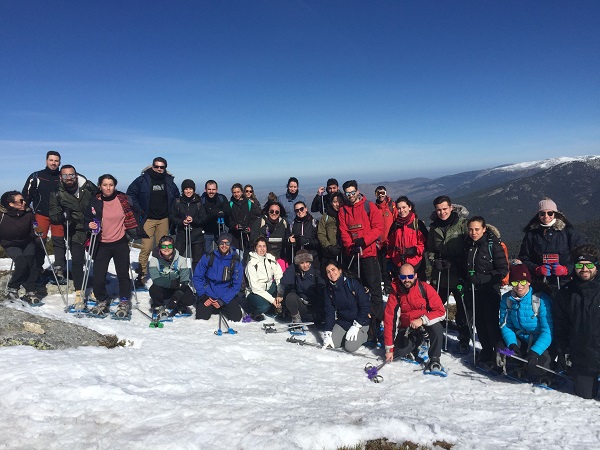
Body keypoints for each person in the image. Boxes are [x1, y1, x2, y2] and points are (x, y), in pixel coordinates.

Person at [86, 174, 141, 317]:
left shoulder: (123, 200)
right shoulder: (95, 202)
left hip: (120, 242)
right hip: (102, 243)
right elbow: (87, 218)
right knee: (98, 277)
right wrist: (89, 224)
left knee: (123, 275)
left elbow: (133, 214)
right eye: (105, 185)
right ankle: (102, 299)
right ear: (100, 186)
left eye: (111, 185)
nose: (108, 187)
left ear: (115, 186)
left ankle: (124, 300)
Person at [338, 180, 384, 342]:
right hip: (353, 254)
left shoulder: (369, 206)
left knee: (374, 290)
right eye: (347, 193)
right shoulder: (343, 211)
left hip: (369, 254)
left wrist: (364, 241)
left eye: (352, 192)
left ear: (357, 191)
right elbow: (344, 231)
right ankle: (360, 322)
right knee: (356, 290)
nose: (350, 196)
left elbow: (378, 227)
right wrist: (351, 246)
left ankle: (376, 324)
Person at [48, 165, 98, 310]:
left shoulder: (87, 186)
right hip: (74, 231)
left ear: (76, 175)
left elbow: (101, 199)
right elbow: (53, 215)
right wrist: (63, 217)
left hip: (93, 228)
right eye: (65, 176)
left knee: (99, 259)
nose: (68, 178)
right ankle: (79, 292)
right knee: (77, 261)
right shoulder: (57, 193)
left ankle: (97, 289)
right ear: (61, 178)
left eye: (71, 175)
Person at [554, 245, 600, 399]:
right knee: (585, 394)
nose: (584, 269)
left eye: (589, 265)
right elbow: (561, 325)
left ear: (596, 266)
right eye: (580, 265)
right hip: (583, 356)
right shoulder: (567, 293)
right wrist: (562, 352)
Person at [126, 157, 180, 287]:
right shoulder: (143, 180)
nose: (159, 169)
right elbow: (130, 194)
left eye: (162, 167)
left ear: (165, 168)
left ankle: (163, 271)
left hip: (164, 219)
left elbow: (176, 196)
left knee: (164, 247)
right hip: (148, 219)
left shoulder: (169, 181)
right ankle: (142, 273)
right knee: (147, 247)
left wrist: (174, 211)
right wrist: (139, 209)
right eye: (157, 166)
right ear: (152, 166)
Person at [383, 264, 446, 373]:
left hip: (426, 323)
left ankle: (435, 358)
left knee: (437, 329)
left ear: (415, 276)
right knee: (401, 351)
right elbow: (389, 321)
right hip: (407, 327)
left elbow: (441, 311)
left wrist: (422, 320)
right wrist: (389, 349)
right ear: (399, 277)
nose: (407, 280)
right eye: (403, 277)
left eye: (410, 276)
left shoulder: (425, 288)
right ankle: (417, 344)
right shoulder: (395, 294)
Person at [426, 195, 470, 351]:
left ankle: (464, 338)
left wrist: (457, 262)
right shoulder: (434, 228)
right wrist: (433, 261)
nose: (442, 212)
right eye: (439, 209)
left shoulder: (463, 225)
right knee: (434, 305)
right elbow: (430, 249)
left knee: (463, 308)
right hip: (441, 275)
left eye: (445, 209)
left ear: (451, 208)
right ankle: (430, 333)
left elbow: (469, 248)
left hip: (459, 274)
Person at [463, 216, 509, 366]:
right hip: (473, 290)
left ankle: (500, 352)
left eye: (477, 229)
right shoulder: (468, 244)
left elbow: (502, 270)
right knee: (479, 322)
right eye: (470, 229)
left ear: (484, 229)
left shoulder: (493, 245)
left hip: (490, 290)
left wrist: (483, 279)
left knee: (491, 322)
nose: (473, 232)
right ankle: (486, 350)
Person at [499, 264, 553, 384]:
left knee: (537, 368)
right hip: (520, 338)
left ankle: (542, 369)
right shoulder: (507, 299)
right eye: (514, 282)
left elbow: (548, 331)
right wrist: (512, 344)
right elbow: (505, 325)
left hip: (539, 340)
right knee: (501, 350)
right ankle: (515, 363)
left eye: (523, 281)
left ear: (528, 282)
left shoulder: (541, 300)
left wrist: (535, 352)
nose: (519, 286)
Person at [519, 197, 584, 295]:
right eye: (542, 213)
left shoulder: (568, 232)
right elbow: (524, 258)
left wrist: (566, 269)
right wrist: (537, 269)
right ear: (538, 215)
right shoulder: (532, 234)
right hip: (539, 284)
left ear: (555, 214)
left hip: (566, 283)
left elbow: (580, 256)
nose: (546, 216)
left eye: (550, 213)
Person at [22, 150, 66, 283]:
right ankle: (38, 267)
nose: (53, 163)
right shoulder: (37, 176)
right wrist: (26, 211)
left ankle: (59, 268)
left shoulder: (63, 176)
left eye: (56, 160)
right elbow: (26, 195)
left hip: (58, 215)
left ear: (59, 162)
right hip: (41, 214)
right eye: (51, 160)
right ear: (46, 161)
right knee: (40, 241)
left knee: (59, 241)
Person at [0, 190, 41, 304]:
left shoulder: (28, 213)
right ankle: (13, 288)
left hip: (27, 242)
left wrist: (37, 232)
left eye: (24, 200)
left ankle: (31, 290)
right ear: (11, 204)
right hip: (10, 243)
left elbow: (34, 228)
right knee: (21, 263)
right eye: (21, 201)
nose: (24, 203)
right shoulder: (2, 215)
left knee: (32, 262)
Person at [321, 260, 371, 353]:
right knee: (332, 344)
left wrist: (357, 325)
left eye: (333, 270)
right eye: (328, 272)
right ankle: (345, 335)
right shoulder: (328, 289)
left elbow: (365, 305)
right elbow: (329, 311)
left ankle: (365, 335)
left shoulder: (352, 284)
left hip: (360, 322)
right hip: (343, 322)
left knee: (349, 347)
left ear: (339, 270)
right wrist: (328, 331)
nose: (331, 274)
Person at [193, 232, 243, 322]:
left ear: (230, 244)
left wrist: (222, 301)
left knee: (236, 317)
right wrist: (203, 296)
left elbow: (236, 285)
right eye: (221, 243)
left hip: (225, 295)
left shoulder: (235, 262)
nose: (224, 245)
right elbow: (197, 277)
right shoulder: (208, 257)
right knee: (201, 317)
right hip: (209, 294)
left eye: (227, 243)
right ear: (218, 244)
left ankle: (220, 306)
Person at [148, 235, 196, 317]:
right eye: (163, 246)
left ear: (173, 247)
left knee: (190, 299)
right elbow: (156, 279)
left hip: (177, 288)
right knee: (154, 290)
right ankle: (159, 305)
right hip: (164, 287)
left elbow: (184, 281)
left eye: (169, 246)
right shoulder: (154, 260)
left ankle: (180, 304)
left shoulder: (181, 260)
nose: (166, 248)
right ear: (159, 247)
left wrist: (175, 298)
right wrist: (174, 284)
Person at [386, 196, 428, 284]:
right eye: (399, 208)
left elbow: (425, 244)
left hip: (416, 265)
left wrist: (414, 250)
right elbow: (390, 244)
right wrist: (390, 262)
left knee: (418, 291)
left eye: (404, 207)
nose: (401, 210)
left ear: (410, 207)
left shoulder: (417, 224)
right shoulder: (395, 225)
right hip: (399, 265)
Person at [279, 249, 325, 323]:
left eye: (307, 262)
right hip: (302, 303)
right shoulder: (296, 271)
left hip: (315, 304)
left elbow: (322, 287)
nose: (305, 265)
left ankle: (317, 316)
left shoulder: (316, 271)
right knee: (290, 297)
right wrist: (293, 266)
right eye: (302, 263)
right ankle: (296, 318)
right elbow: (285, 281)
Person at [170, 179, 207, 272]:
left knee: (197, 260)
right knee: (176, 257)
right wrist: (181, 222)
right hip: (182, 233)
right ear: (183, 190)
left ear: (193, 190)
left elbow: (203, 219)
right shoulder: (177, 202)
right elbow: (172, 216)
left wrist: (193, 220)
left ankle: (197, 279)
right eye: (186, 189)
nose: (188, 191)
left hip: (197, 233)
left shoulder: (198, 202)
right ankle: (176, 278)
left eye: (190, 189)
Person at [245, 237, 284, 320]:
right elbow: (255, 288)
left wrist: (280, 294)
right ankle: (254, 310)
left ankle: (274, 307)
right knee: (264, 307)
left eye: (264, 246)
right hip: (255, 292)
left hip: (269, 287)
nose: (262, 249)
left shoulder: (270, 259)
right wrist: (273, 300)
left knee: (283, 291)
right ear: (255, 248)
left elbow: (279, 276)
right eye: (259, 246)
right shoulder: (251, 264)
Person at [374, 186, 397, 294]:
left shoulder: (392, 206)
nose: (381, 195)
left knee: (389, 265)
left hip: (390, 242)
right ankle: (383, 285)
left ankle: (389, 285)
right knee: (379, 265)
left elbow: (397, 221)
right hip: (378, 242)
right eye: (378, 193)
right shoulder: (374, 208)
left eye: (382, 193)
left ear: (386, 193)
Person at [229, 183, 261, 257]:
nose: (236, 194)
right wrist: (235, 226)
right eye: (234, 192)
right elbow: (229, 220)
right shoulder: (230, 204)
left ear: (241, 192)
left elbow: (253, 218)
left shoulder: (249, 204)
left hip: (247, 236)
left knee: (247, 257)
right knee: (238, 257)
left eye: (238, 192)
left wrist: (249, 228)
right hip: (235, 237)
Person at [200, 180, 231, 253]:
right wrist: (217, 212)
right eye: (209, 189)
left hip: (220, 230)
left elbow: (228, 212)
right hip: (207, 232)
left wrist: (212, 213)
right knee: (207, 254)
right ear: (205, 190)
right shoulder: (202, 200)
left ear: (217, 190)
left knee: (225, 252)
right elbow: (203, 217)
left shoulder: (221, 198)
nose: (211, 191)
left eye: (213, 189)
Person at [289, 200, 320, 268]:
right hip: (299, 260)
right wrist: (290, 241)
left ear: (306, 209)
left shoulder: (314, 223)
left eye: (301, 209)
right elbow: (289, 241)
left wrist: (307, 241)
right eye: (297, 210)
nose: (300, 211)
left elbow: (319, 242)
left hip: (313, 259)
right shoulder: (292, 225)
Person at [317, 192, 344, 264]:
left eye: (340, 202)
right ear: (331, 203)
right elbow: (321, 233)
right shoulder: (326, 217)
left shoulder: (347, 215)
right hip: (329, 253)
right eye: (335, 202)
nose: (337, 204)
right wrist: (329, 246)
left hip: (345, 252)